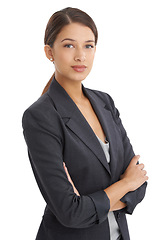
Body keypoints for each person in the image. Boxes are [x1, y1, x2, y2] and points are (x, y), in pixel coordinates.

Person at [22, 7, 148, 240]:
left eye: (88, 45)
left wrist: (96, 201)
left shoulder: (105, 102)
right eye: (69, 45)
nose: (81, 55)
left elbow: (140, 185)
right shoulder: (40, 116)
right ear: (49, 52)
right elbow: (71, 212)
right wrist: (126, 183)